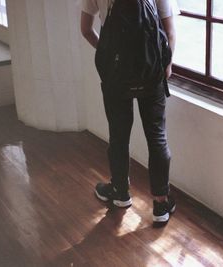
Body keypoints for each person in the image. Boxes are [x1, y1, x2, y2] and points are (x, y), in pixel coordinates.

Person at [79, 0, 178, 224]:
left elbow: (86, 30)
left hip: (115, 77)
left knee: (119, 135)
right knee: (157, 137)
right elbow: (170, 32)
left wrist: (110, 54)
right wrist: (165, 65)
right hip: (151, 73)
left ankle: (120, 192)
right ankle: (161, 204)